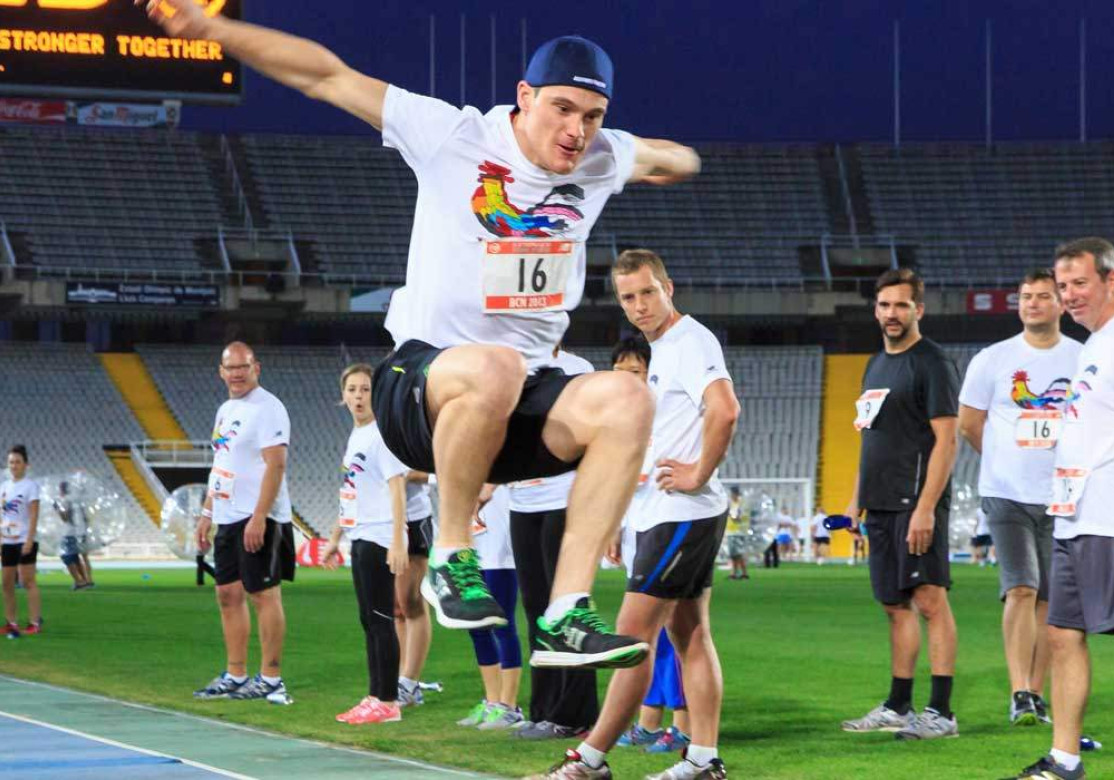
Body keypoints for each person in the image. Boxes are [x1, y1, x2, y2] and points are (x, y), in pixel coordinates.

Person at [138, 0, 700, 668]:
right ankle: (454, 559)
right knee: (494, 365)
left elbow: (666, 156)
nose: (576, 130)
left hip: (519, 404)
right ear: (524, 97)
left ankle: (565, 613)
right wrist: (213, 30)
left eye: (592, 115)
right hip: (419, 389)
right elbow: (327, 76)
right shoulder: (453, 136)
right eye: (561, 109)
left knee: (628, 399)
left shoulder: (600, 158)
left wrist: (677, 159)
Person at [530, 248, 740, 780]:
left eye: (649, 292)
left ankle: (591, 759)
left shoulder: (691, 342)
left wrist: (697, 472)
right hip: (660, 513)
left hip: (682, 510)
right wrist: (624, 518)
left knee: (630, 638)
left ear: (668, 287)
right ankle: (702, 759)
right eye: (629, 297)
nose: (641, 305)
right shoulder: (660, 350)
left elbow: (726, 409)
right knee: (690, 635)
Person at [1002, 239, 1114, 780]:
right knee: (1060, 633)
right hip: (1073, 512)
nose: (1068, 295)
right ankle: (1065, 759)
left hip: (1112, 516)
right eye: (1062, 284)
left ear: (1110, 280)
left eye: (1079, 283)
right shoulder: (1096, 342)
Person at [840, 268, 961, 741]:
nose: (892, 314)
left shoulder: (931, 362)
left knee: (931, 601)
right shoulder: (875, 365)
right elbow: (870, 438)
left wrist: (926, 507)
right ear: (876, 310)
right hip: (882, 503)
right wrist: (855, 502)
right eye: (885, 305)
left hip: (916, 501)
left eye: (901, 305)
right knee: (895, 605)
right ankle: (898, 704)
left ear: (919, 310)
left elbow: (947, 440)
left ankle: (942, 713)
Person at [958, 270, 1081, 727]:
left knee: (1049, 598)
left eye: (1043, 296)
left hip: (1062, 494)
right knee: (1021, 587)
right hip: (1006, 493)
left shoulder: (1082, 357)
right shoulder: (992, 359)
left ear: (1061, 304)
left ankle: (1037, 691)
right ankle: (1019, 690)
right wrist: (1005, 461)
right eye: (1026, 297)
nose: (1033, 303)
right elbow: (969, 424)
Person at [193, 342, 295, 705]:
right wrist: (207, 513)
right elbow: (221, 462)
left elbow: (276, 465)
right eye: (229, 367)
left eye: (243, 367)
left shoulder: (268, 408)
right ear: (221, 371)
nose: (236, 373)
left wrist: (259, 516)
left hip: (259, 517)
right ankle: (235, 674)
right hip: (226, 514)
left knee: (263, 595)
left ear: (257, 367)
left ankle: (271, 678)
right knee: (227, 595)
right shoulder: (226, 409)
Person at [508, 344, 601, 741]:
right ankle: (544, 709)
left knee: (564, 608)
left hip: (564, 498)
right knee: (534, 609)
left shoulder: (578, 369)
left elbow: (595, 437)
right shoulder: (511, 367)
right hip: (521, 499)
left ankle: (576, 713)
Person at [609, 336, 692, 758]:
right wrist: (613, 530)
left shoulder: (668, 420)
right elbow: (619, 483)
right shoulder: (620, 423)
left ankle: (683, 726)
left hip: (668, 531)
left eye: (636, 372)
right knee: (649, 635)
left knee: (678, 632)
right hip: (636, 533)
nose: (628, 381)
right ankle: (648, 722)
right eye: (620, 372)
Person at [321, 363, 412, 725]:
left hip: (379, 535)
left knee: (380, 619)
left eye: (365, 389)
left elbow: (397, 487)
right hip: (360, 534)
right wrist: (335, 538)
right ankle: (375, 695)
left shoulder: (380, 435)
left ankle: (388, 701)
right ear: (342, 396)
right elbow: (351, 494)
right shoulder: (356, 437)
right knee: (368, 620)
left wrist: (398, 539)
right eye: (352, 390)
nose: (358, 396)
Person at [458, 484, 525, 731]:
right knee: (477, 626)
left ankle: (510, 707)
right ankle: (492, 701)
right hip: (471, 551)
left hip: (500, 553)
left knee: (502, 624)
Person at [395, 468, 436, 707]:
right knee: (396, 608)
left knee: (411, 602)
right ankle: (404, 679)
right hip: (382, 521)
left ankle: (410, 682)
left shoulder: (415, 433)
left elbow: (436, 471)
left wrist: (407, 475)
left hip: (414, 519)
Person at [2, 445, 41, 639]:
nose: (14, 465)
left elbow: (34, 515)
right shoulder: (4, 487)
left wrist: (29, 539)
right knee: (7, 582)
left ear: (26, 464)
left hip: (25, 540)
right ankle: (11, 622)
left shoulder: (30, 486)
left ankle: (34, 622)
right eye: (11, 462)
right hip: (7, 541)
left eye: (17, 462)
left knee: (28, 581)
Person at [52, 480, 94, 591]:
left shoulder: (65, 501)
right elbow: (86, 518)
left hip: (70, 533)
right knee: (81, 557)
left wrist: (57, 508)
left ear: (61, 490)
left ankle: (79, 581)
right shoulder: (78, 501)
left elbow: (65, 518)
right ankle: (87, 580)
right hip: (81, 532)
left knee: (67, 557)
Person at [724, 487, 749, 580]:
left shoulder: (741, 504)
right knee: (733, 554)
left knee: (738, 554)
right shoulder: (732, 504)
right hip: (731, 532)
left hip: (738, 532)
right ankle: (735, 573)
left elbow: (738, 518)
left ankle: (743, 573)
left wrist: (731, 515)